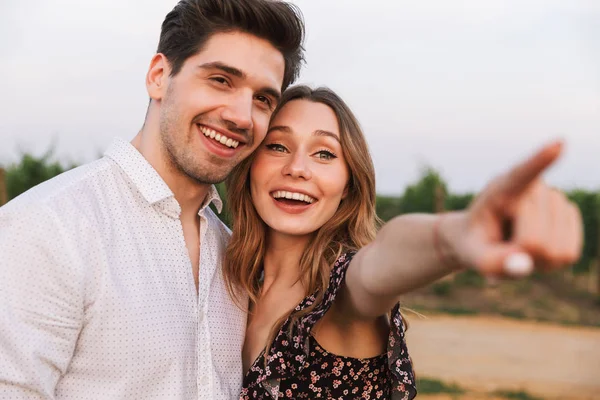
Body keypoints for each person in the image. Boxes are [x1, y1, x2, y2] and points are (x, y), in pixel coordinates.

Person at [0, 1, 305, 398]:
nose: (242, 117)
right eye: (220, 80)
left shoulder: (235, 256)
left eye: (263, 99)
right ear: (159, 76)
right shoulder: (49, 227)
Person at [222, 86, 583, 399]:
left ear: (349, 185)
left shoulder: (339, 290)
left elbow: (379, 264)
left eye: (325, 154)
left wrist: (454, 236)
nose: (298, 168)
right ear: (250, 164)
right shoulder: (235, 281)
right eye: (278, 146)